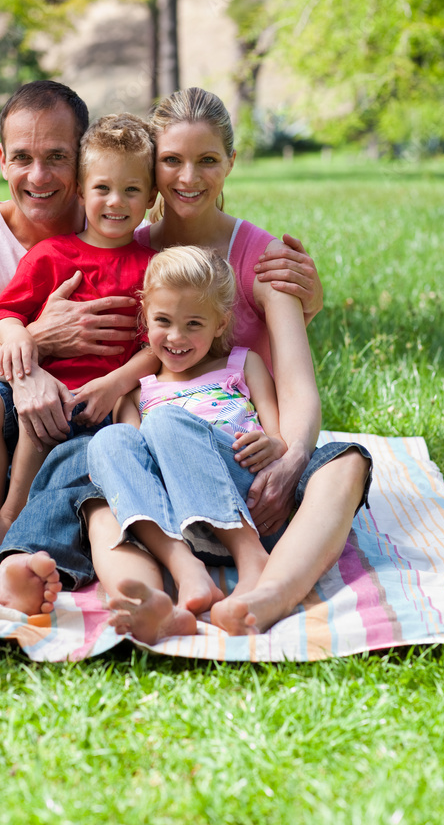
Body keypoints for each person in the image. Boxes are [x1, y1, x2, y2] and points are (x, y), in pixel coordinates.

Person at [0, 80, 323, 618]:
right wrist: (34, 350)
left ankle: (12, 570)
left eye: (57, 157)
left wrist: (307, 307)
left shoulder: (137, 246)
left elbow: (177, 345)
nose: (39, 176)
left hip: (87, 418)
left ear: (85, 164)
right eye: (23, 157)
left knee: (81, 468)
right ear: (2, 159)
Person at [81, 87, 373, 640]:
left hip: (248, 457)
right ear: (152, 165)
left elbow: (296, 385)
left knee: (346, 464)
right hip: (164, 466)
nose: (189, 177)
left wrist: (291, 456)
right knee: (98, 472)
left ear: (231, 162)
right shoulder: (130, 250)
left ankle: (266, 594)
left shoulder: (264, 259)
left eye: (208, 159)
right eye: (171, 160)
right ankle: (157, 594)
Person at [0, 114, 157, 554]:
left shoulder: (153, 269)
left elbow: (155, 348)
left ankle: (13, 519)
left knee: (49, 422)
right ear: (82, 190)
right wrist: (22, 345)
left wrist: (114, 383)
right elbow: (5, 315)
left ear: (151, 197)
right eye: (102, 188)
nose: (115, 202)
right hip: (35, 383)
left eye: (131, 190)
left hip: (99, 397)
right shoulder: (53, 255)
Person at [86, 246, 288, 642]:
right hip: (178, 522)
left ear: (220, 323)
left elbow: (278, 434)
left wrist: (275, 444)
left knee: (163, 421)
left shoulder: (242, 364)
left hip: (243, 499)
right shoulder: (138, 392)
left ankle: (252, 560)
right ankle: (188, 572)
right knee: (109, 440)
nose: (176, 337)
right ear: (145, 318)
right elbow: (136, 467)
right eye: (163, 321)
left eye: (194, 323)